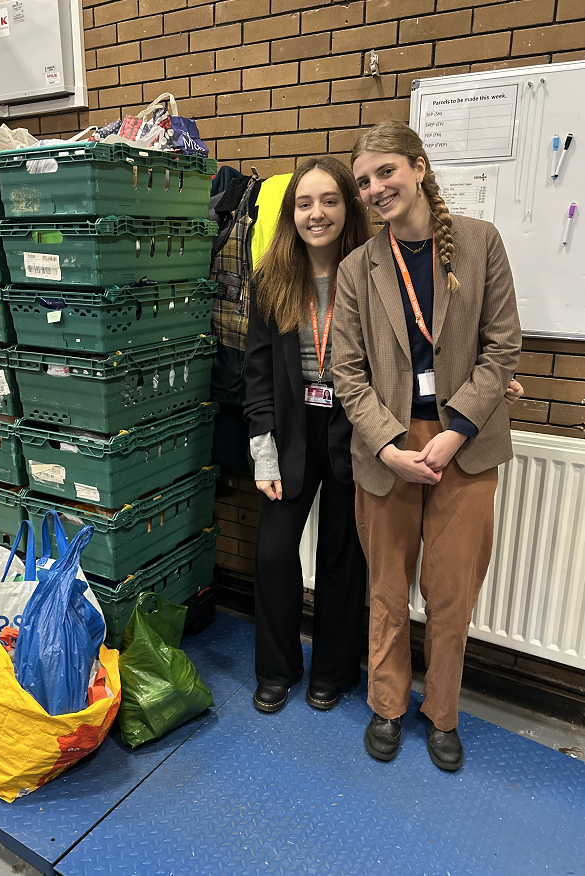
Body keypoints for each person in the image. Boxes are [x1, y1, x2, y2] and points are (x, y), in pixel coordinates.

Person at [330, 121, 522, 771]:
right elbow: (346, 371)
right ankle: (386, 705)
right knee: (387, 592)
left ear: (418, 167)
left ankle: (442, 714)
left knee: (450, 595)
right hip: (387, 448)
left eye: (385, 171)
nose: (375, 188)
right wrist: (387, 446)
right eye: (364, 181)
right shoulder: (357, 268)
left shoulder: (479, 242)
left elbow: (502, 347)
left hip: (463, 445)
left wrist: (456, 429)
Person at [243, 156, 371, 714]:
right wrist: (263, 451)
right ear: (291, 213)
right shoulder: (272, 278)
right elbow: (256, 370)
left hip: (353, 427)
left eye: (329, 201)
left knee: (343, 555)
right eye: (304, 203)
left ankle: (334, 670)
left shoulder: (372, 274)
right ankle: (278, 668)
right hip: (291, 428)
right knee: (274, 553)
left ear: (348, 208)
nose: (316, 213)